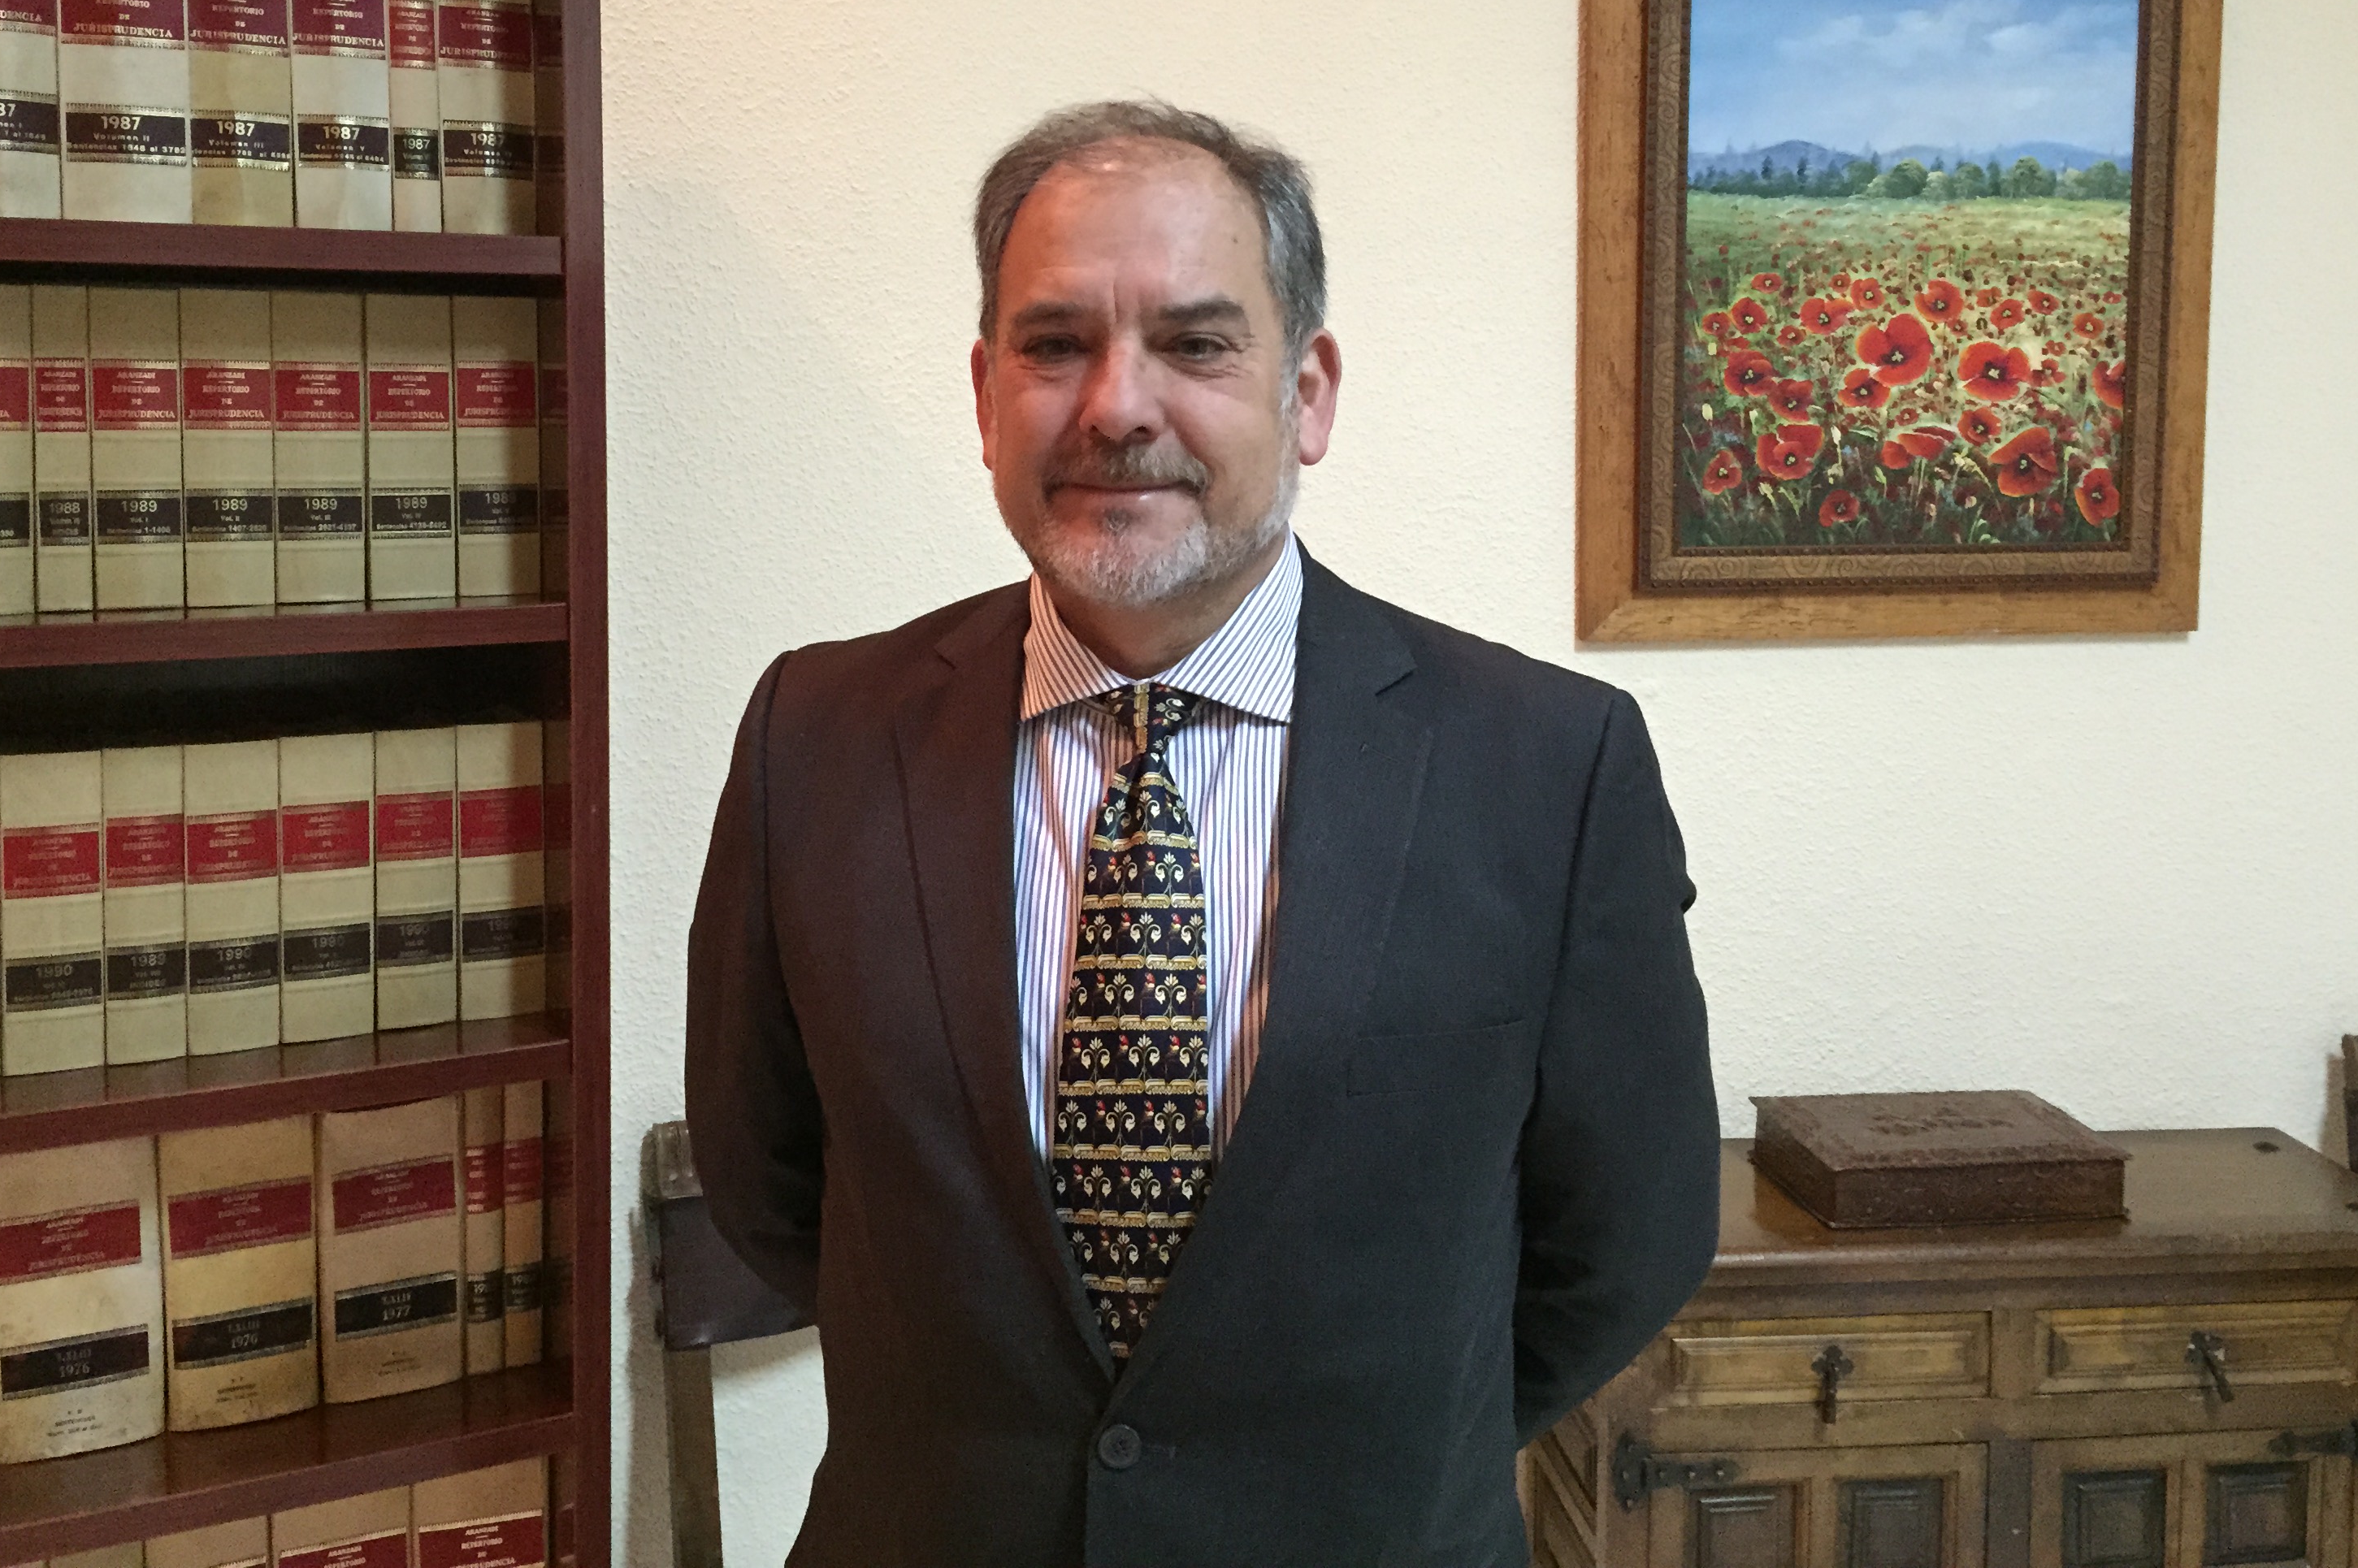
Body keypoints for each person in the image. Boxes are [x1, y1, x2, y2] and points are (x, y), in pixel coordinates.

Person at [685, 99, 1719, 1567]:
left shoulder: (1550, 767)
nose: (1118, 405)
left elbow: (1627, 1236)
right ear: (985, 395)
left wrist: (1362, 1462)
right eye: (1055, 345)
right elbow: (770, 1179)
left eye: (1195, 343)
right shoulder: (816, 735)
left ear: (1309, 392)